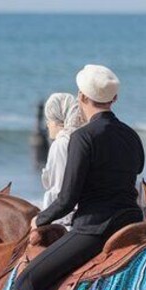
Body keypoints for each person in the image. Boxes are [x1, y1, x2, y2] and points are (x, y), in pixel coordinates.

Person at [3, 64, 145, 290]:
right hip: (132, 223)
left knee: (27, 284)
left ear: (82, 98)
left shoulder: (83, 138)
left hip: (95, 230)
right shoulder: (132, 136)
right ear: (113, 98)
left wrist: (40, 219)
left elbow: (67, 199)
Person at [40, 92, 85, 227]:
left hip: (64, 221)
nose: (47, 124)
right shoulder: (82, 138)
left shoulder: (61, 144)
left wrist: (43, 220)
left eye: (48, 119)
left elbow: (60, 191)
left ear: (58, 120)